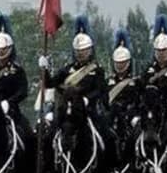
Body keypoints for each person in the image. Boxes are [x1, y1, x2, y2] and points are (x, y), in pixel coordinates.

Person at [39, 16, 115, 158]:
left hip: (88, 110)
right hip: (67, 112)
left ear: (90, 50)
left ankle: (111, 170)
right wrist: (45, 70)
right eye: (78, 51)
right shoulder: (67, 70)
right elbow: (50, 84)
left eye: (84, 50)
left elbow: (100, 90)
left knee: (108, 135)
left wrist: (86, 99)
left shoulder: (97, 70)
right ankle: (47, 172)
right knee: (49, 136)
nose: (81, 54)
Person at [0, 13, 33, 137]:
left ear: (10, 49)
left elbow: (23, 91)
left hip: (11, 110)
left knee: (28, 134)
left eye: (4, 49)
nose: (1, 52)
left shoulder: (17, 70)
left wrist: (9, 102)